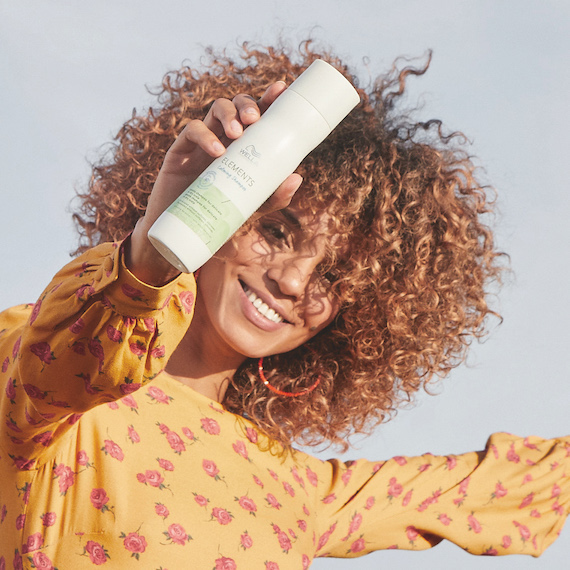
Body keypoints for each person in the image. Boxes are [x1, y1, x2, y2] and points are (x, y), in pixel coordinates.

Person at [0, 41, 568, 569]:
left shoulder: (300, 488)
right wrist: (156, 247)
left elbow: (497, 487)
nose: (295, 282)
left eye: (336, 275)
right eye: (275, 231)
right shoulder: (44, 385)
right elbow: (67, 357)